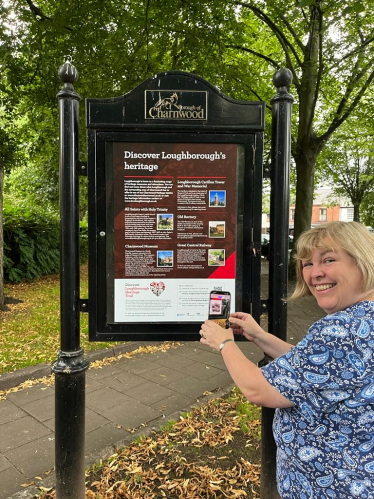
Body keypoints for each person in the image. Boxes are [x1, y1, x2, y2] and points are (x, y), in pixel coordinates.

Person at [200, 221, 374, 498]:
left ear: (362, 261)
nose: (315, 273)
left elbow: (259, 390)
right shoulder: (362, 320)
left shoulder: (340, 330)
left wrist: (223, 342)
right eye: (306, 264)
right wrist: (258, 336)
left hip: (328, 485)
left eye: (328, 260)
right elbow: (312, 367)